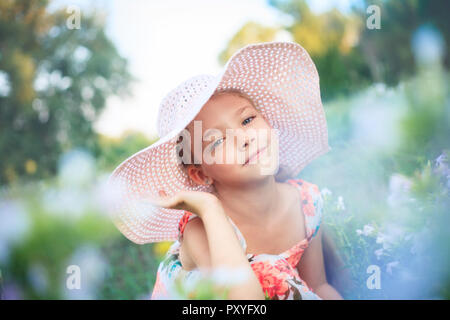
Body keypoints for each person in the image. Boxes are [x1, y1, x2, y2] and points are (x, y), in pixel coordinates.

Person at [107, 42, 344, 300]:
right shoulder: (201, 230)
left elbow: (317, 286)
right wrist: (209, 208)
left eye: (247, 120)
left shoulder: (305, 202)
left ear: (267, 121)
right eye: (217, 141)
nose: (244, 138)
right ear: (200, 174)